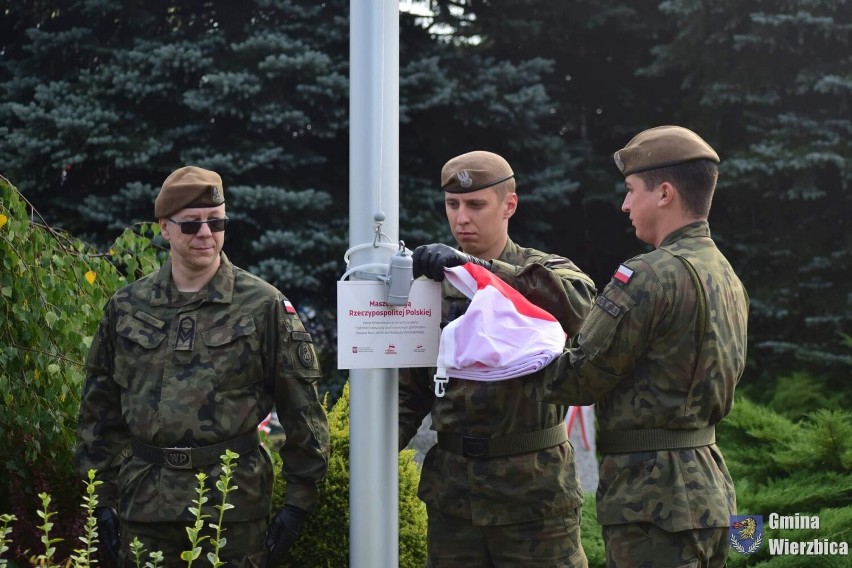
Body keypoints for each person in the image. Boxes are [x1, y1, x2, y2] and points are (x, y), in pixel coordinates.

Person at [75, 166, 330, 567]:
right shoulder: (127, 307)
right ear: (165, 228)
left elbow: (303, 410)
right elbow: (99, 410)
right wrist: (99, 497)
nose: (206, 234)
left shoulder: (263, 305)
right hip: (145, 504)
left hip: (232, 505)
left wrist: (299, 502)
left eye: (217, 222)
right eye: (192, 225)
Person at [524, 125, 749, 567]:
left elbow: (579, 379)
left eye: (631, 191)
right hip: (708, 487)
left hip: (653, 498)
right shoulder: (725, 274)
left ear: (664, 193)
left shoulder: (648, 274)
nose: (625, 204)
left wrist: (507, 348)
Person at [398, 150, 596, 567]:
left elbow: (579, 309)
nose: (461, 218)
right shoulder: (431, 287)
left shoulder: (542, 271)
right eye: (452, 205)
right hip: (455, 502)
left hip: (535, 501)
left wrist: (479, 268)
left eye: (475, 205)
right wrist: (368, 456)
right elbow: (410, 391)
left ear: (509, 205)